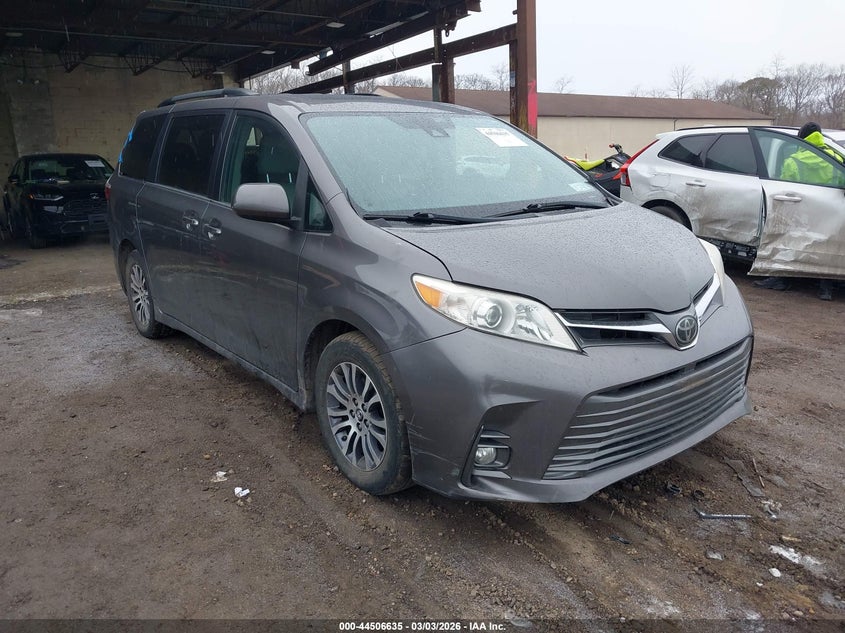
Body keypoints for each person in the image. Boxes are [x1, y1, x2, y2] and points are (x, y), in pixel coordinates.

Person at [754, 122, 843, 300]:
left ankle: (782, 279)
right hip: (829, 210)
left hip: (802, 211)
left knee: (788, 240)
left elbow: (784, 188)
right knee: (827, 245)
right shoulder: (835, 156)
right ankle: (826, 288)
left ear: (802, 137)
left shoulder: (793, 161)